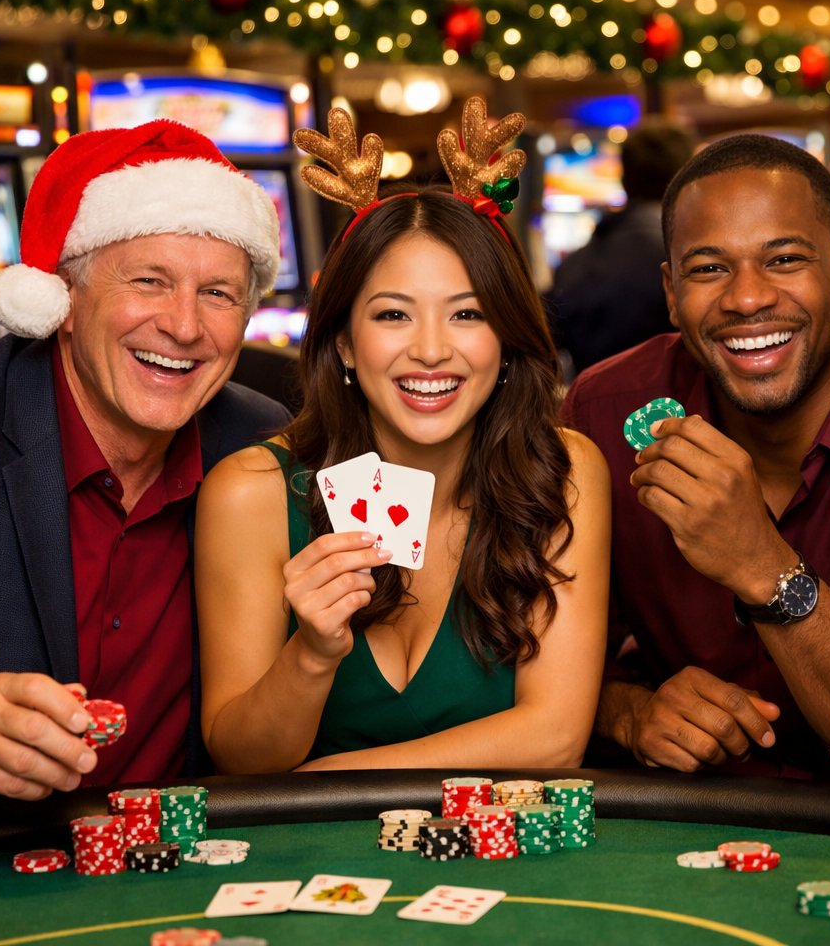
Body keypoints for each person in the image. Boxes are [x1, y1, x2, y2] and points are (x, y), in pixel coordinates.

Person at [0, 121, 291, 821]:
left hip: (190, 867)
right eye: (149, 281)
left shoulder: (268, 445)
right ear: (63, 301)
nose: (184, 326)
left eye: (219, 294)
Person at [195, 98, 609, 772]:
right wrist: (312, 654)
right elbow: (242, 760)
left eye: (467, 313)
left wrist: (327, 786)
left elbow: (554, 735)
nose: (430, 350)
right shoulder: (249, 494)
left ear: (506, 340)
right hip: (309, 870)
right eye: (392, 314)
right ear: (345, 344)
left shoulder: (562, 471)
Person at [561, 134, 830, 791]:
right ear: (671, 293)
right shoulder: (607, 408)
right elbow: (538, 657)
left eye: (783, 259)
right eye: (708, 269)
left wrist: (761, 563)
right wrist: (629, 711)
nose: (748, 298)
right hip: (690, 827)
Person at [545, 121, 695, 376]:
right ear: (688, 178)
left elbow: (549, 341)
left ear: (624, 178)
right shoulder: (692, 259)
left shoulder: (576, 263)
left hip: (593, 406)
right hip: (681, 410)